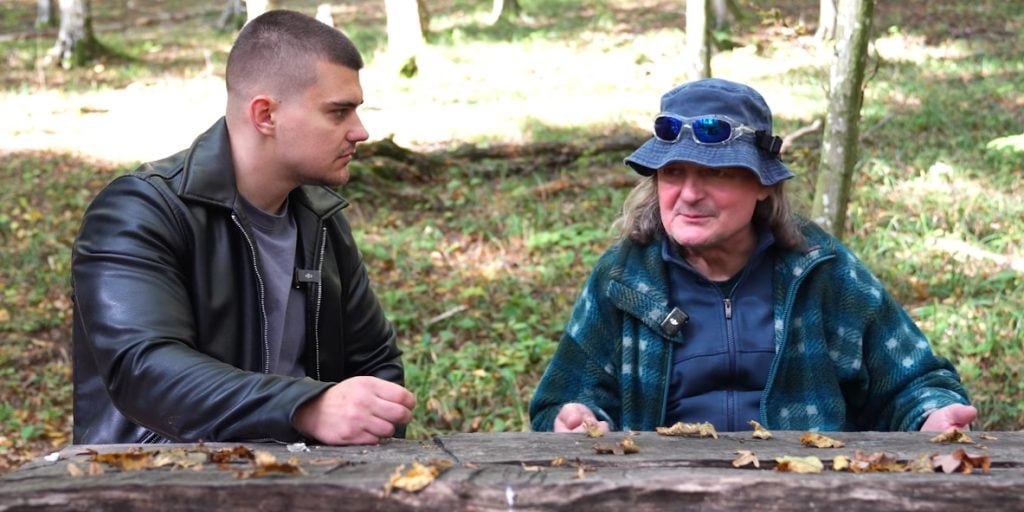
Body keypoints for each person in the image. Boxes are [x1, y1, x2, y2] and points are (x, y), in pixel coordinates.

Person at [529, 78, 976, 434]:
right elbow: (561, 400)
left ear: (764, 184)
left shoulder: (820, 270)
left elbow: (914, 381)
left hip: (809, 494)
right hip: (661, 495)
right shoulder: (626, 280)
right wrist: (574, 418)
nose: (689, 194)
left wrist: (931, 415)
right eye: (674, 172)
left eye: (715, 173)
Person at [71, 10, 416, 446]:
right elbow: (144, 369)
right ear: (265, 115)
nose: (361, 132)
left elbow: (376, 363)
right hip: (152, 477)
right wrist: (307, 407)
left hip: (308, 479)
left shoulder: (321, 221)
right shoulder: (140, 210)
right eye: (339, 112)